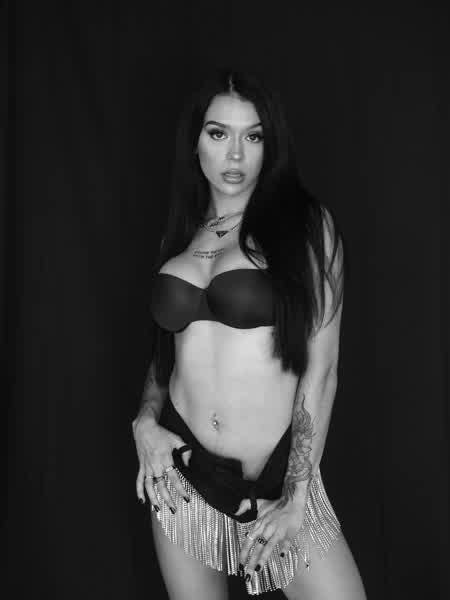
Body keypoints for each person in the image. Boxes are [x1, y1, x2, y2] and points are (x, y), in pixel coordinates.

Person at [132, 68, 366, 599]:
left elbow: (322, 369)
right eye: (219, 133)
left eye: (253, 136)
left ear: (270, 144)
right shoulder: (181, 234)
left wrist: (297, 495)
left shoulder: (306, 227)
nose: (235, 155)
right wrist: (144, 422)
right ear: (195, 142)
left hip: (278, 482)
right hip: (182, 474)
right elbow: (165, 356)